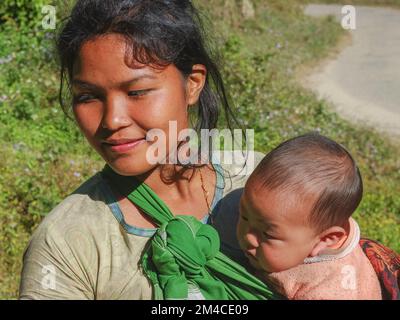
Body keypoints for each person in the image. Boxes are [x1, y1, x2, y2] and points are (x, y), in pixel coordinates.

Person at [18, 0, 274, 300]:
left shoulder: (264, 183)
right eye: (88, 96)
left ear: (192, 85)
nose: (113, 120)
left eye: (137, 92)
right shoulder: (67, 243)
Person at [236, 133, 382, 299]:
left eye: (267, 234)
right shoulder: (306, 225)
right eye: (245, 216)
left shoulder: (328, 292)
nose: (247, 236)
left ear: (326, 239)